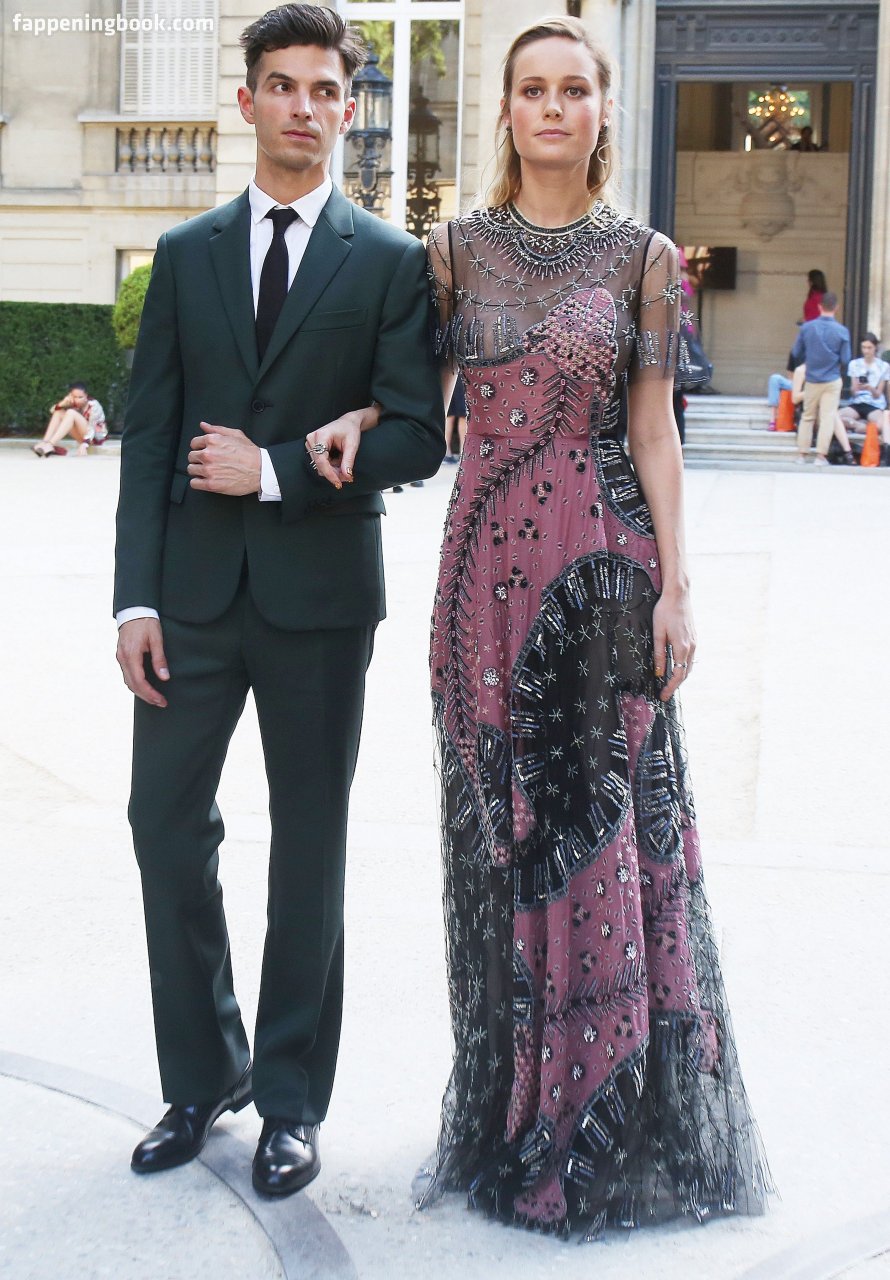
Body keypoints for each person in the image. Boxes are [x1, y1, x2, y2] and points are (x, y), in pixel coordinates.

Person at [315, 14, 772, 1238]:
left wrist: (679, 586)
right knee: (505, 844)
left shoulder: (645, 257)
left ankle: (609, 1122)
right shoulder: (452, 251)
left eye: (575, 88)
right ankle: (518, 1106)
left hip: (606, 578)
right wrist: (357, 420)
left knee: (607, 839)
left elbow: (653, 432)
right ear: (507, 109)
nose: (554, 107)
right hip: (481, 585)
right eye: (533, 89)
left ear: (601, 109)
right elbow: (419, 404)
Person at [114, 3, 443, 1199]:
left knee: (308, 844)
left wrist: (277, 468)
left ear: (348, 109)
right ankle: (204, 1072)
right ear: (246, 98)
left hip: (319, 598)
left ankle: (292, 1101)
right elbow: (150, 437)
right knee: (163, 823)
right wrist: (132, 602)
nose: (304, 105)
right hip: (190, 600)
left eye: (324, 88)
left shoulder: (391, 262)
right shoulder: (185, 253)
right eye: (283, 84)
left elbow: (417, 434)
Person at [791, 291, 851, 464]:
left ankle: (802, 455)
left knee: (807, 416)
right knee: (827, 418)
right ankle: (820, 456)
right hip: (832, 379)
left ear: (819, 307)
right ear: (836, 308)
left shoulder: (807, 328)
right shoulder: (842, 331)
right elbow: (846, 359)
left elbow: (795, 352)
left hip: (812, 379)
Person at [837, 332, 890, 465]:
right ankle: (859, 425)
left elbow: (878, 394)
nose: (866, 351)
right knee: (835, 417)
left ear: (875, 348)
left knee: (883, 424)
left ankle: (858, 426)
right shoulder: (855, 364)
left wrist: (870, 388)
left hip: (874, 404)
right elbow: (854, 392)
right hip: (858, 402)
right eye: (864, 347)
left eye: (869, 348)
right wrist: (857, 387)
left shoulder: (883, 366)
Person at [32, 381, 107, 456]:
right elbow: (52, 411)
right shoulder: (72, 402)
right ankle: (44, 442)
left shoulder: (94, 406)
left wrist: (85, 444)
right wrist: (63, 403)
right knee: (59, 412)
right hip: (82, 436)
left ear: (86, 395)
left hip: (93, 438)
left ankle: (50, 444)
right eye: (74, 397)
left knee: (71, 412)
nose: (77, 400)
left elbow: (92, 428)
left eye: (80, 397)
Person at [443, 374, 467, 463]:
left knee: (449, 413)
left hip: (449, 372)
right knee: (463, 414)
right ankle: (463, 451)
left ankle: (446, 452)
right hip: (461, 374)